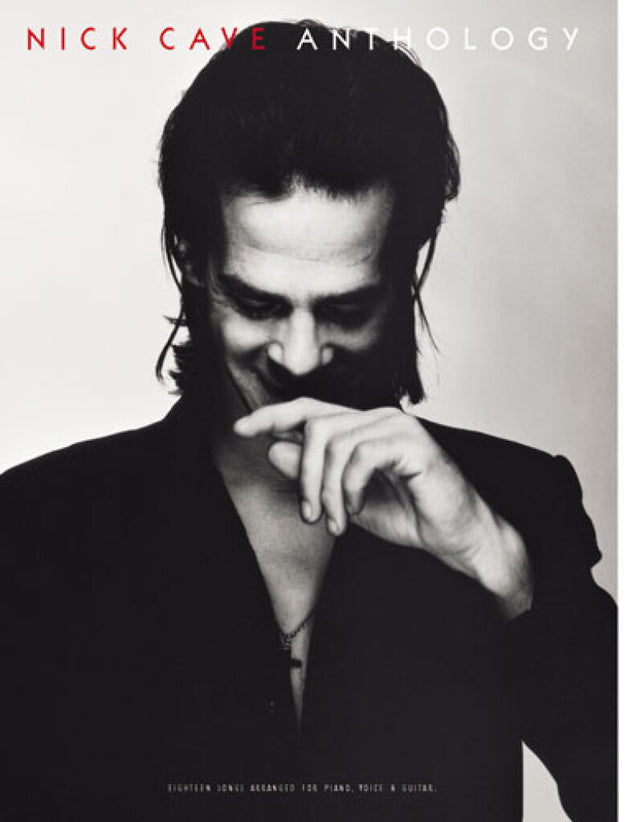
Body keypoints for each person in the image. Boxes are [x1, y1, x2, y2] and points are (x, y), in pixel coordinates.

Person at [0, 20, 615, 822]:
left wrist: (498, 566)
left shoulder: (517, 505)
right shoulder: (36, 527)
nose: (298, 356)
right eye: (256, 303)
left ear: (410, 266)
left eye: (346, 308)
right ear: (189, 260)